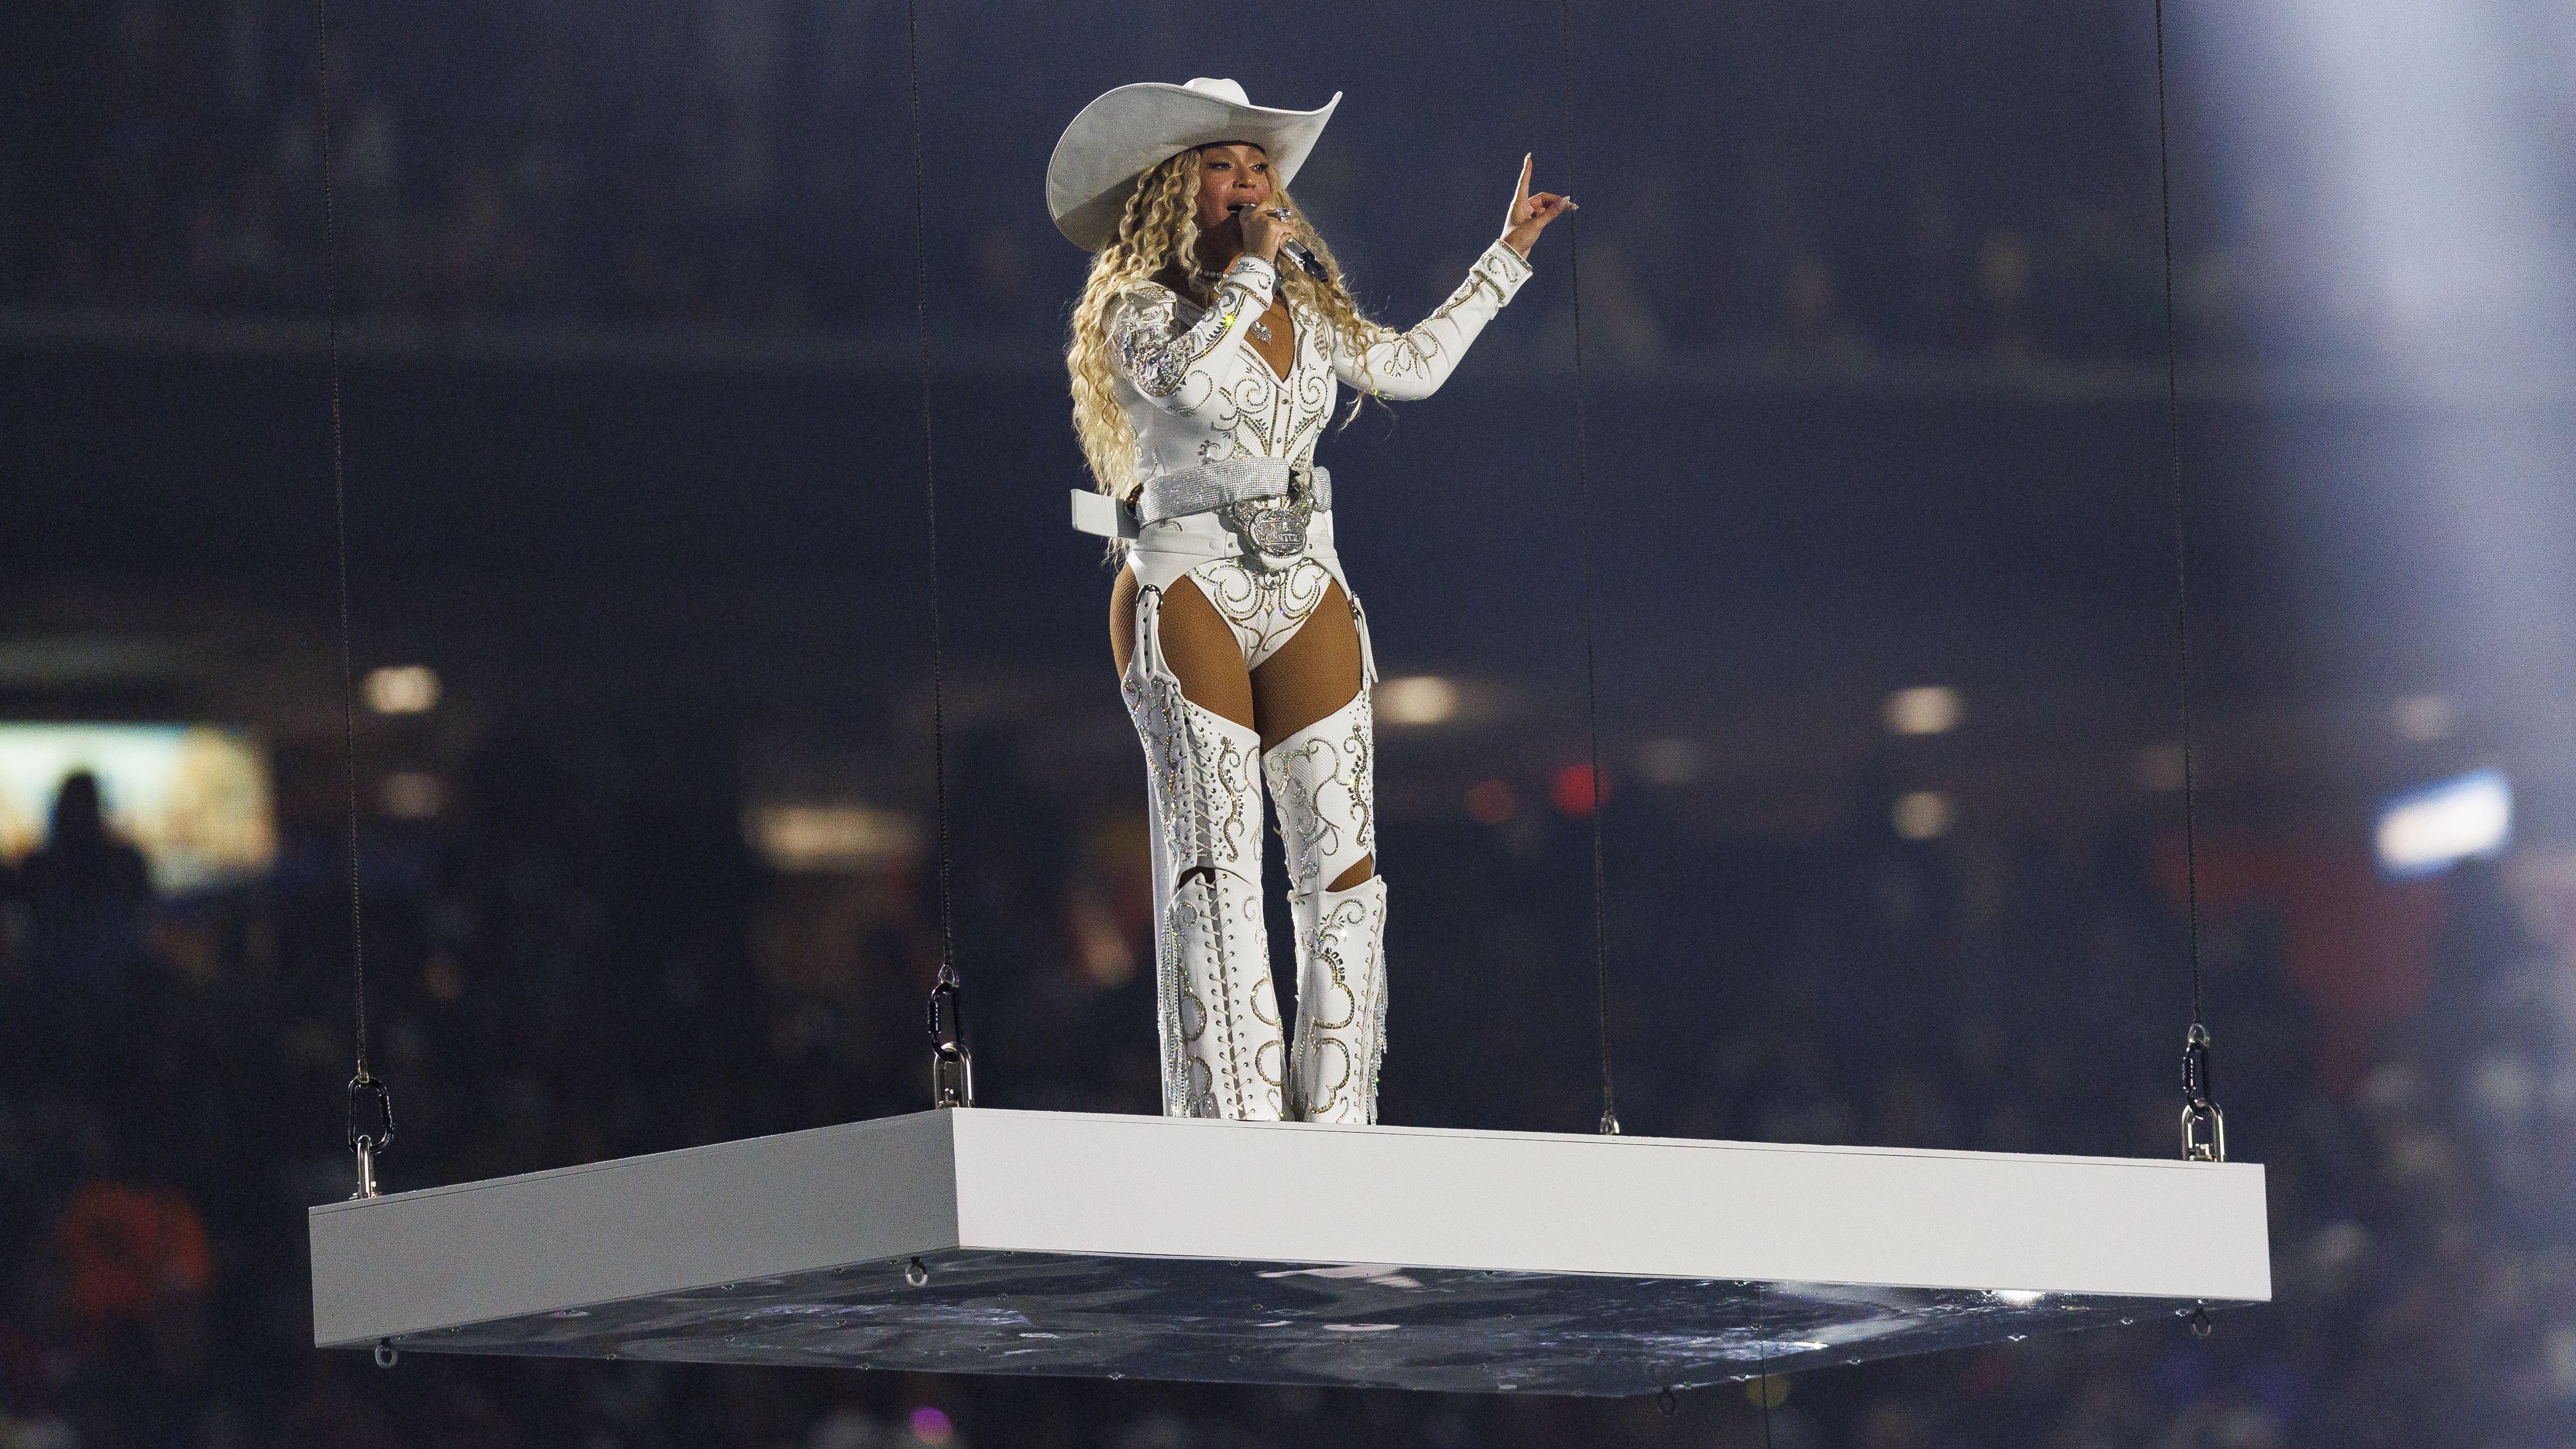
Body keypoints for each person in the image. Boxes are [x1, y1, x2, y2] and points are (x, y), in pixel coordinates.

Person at [1048, 78, 1573, 1123]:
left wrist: (1503, 261)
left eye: (1260, 165)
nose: (1249, 179)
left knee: (1344, 867)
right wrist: (1250, 272)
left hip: (1304, 574)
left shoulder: (1304, 306)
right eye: (1221, 164)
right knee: (1220, 857)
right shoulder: (1136, 308)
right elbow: (1189, 385)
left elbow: (1410, 367)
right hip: (1185, 570)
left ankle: (1337, 1134)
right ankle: (1231, 1135)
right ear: (1171, 188)